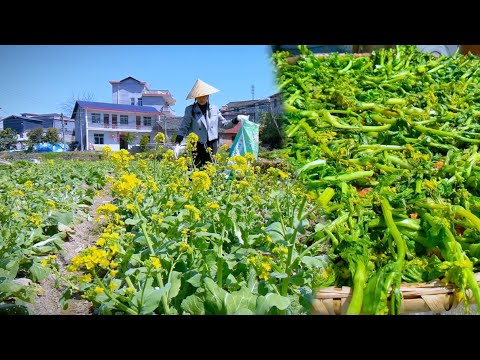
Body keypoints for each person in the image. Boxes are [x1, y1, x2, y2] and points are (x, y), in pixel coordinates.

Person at [174, 79, 240, 167]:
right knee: (196, 168)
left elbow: (224, 124)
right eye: (198, 96)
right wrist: (178, 143)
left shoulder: (214, 109)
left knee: (210, 168)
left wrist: (237, 119)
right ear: (195, 97)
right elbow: (184, 127)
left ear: (208, 96)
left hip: (212, 144)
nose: (201, 98)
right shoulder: (190, 110)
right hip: (196, 144)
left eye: (203, 96)